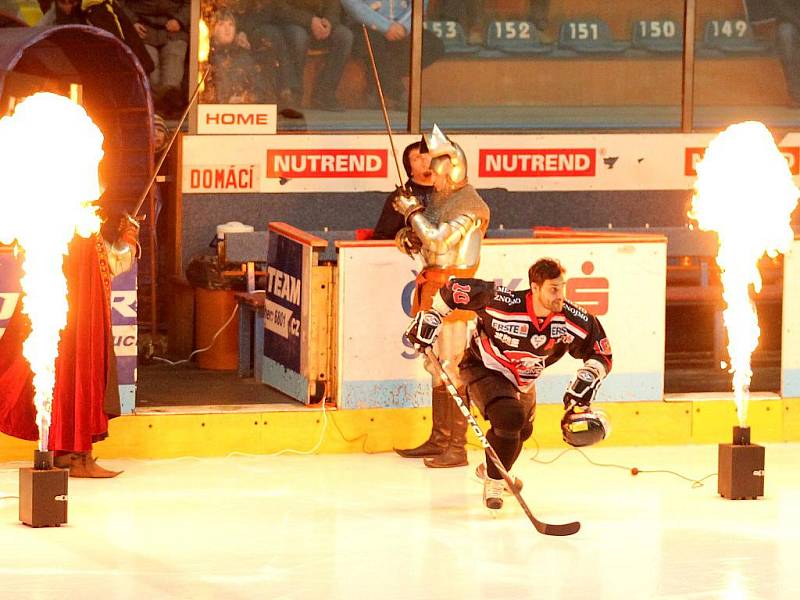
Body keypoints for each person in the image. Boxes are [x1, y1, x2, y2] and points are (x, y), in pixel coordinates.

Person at [404, 257, 613, 508]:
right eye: (553, 289)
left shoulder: (572, 318)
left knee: (521, 431)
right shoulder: (503, 302)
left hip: (524, 380)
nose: (560, 295)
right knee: (509, 418)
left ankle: (492, 469)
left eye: (563, 287)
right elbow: (454, 289)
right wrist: (432, 316)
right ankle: (494, 483)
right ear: (535, 288)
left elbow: (600, 352)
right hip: (484, 367)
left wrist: (591, 373)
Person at [0, 215, 140, 478]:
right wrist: (129, 238)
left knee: (64, 375)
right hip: (75, 321)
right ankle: (76, 455)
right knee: (74, 374)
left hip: (65, 316)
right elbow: (114, 262)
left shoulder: (70, 223)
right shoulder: (76, 229)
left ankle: (65, 451)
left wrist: (126, 239)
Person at [391, 124, 489, 468]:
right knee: (436, 366)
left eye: (435, 163)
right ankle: (439, 439)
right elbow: (421, 240)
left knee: (453, 366)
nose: (429, 170)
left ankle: (457, 447)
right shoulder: (441, 199)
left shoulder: (471, 205)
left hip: (456, 293)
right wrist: (407, 234)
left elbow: (438, 240)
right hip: (433, 288)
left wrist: (412, 213)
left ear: (451, 164)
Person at [341, 0, 444, 109]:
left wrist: (404, 26)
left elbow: (420, 3)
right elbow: (352, 4)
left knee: (433, 45)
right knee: (373, 43)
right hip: (365, 25)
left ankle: (378, 82)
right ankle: (397, 93)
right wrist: (386, 27)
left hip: (402, 27)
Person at [278, 0, 353, 111]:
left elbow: (333, 5)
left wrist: (328, 22)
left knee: (345, 36)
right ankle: (294, 94)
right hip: (293, 21)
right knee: (298, 38)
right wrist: (310, 21)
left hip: (321, 23)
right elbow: (279, 8)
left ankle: (325, 94)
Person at [127, 0, 190, 117]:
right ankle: (154, 119)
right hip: (142, 30)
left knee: (171, 79)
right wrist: (131, 22)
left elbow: (192, 4)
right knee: (151, 78)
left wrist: (180, 20)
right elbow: (119, 4)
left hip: (175, 31)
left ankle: (171, 114)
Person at [371, 141, 434, 240]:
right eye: (417, 158)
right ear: (410, 170)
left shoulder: (450, 191)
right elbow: (382, 237)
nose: (424, 160)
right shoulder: (400, 197)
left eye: (428, 155)